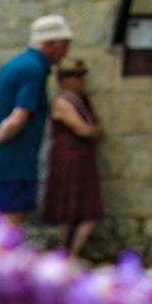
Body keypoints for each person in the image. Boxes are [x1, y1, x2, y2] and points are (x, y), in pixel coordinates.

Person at [0, 14, 72, 225]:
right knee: (10, 235)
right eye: (64, 45)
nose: (66, 52)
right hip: (16, 167)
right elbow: (19, 117)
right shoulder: (34, 71)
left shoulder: (12, 66)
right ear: (50, 44)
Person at [44, 56, 106, 259]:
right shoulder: (63, 101)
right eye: (76, 76)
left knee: (89, 210)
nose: (81, 80)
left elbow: (96, 129)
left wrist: (95, 131)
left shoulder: (82, 100)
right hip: (68, 160)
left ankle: (73, 253)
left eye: (82, 75)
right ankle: (64, 251)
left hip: (83, 159)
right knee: (66, 210)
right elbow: (83, 129)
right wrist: (93, 131)